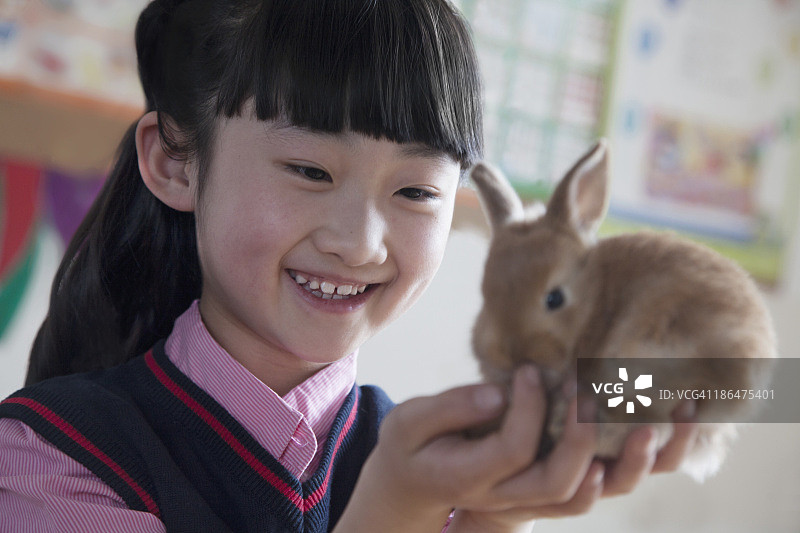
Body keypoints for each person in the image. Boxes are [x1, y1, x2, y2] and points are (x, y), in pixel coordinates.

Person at [0, 0, 699, 531]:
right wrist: (395, 508)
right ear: (174, 160)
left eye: (416, 191)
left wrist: (490, 518)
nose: (361, 243)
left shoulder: (428, 459)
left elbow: (746, 392)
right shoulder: (46, 457)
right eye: (309, 169)